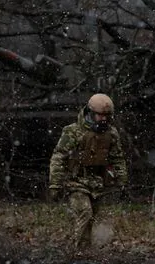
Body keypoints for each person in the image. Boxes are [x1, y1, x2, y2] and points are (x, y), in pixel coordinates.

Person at [48, 93, 128, 254]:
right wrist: (55, 184)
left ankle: (86, 252)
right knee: (84, 211)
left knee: (95, 220)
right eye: (100, 115)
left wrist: (121, 180)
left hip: (98, 182)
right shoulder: (73, 132)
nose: (103, 119)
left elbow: (117, 158)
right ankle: (76, 250)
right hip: (76, 181)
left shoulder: (111, 134)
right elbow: (59, 157)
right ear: (91, 113)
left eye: (107, 116)